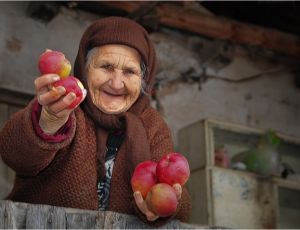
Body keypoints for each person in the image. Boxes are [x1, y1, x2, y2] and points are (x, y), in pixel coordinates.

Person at [0, 16, 190, 225]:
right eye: (106, 66)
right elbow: (15, 155)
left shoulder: (153, 125)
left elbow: (182, 204)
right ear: (85, 68)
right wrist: (49, 121)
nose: (117, 83)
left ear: (143, 80)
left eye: (130, 72)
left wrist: (165, 205)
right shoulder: (64, 104)